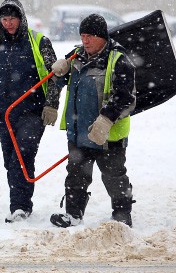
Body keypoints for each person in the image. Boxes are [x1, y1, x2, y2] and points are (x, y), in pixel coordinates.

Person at [0, 0, 60, 223]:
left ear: (21, 19)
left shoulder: (39, 42)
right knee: (11, 160)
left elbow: (55, 77)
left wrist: (51, 104)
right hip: (2, 116)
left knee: (22, 157)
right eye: (4, 19)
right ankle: (22, 203)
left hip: (32, 113)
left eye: (12, 18)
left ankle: (19, 208)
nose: (8, 23)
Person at [49, 13, 136, 228]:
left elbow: (126, 97)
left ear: (102, 37)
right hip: (80, 132)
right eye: (82, 36)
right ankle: (73, 214)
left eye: (89, 36)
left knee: (114, 177)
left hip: (108, 135)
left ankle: (122, 215)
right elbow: (56, 80)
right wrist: (57, 75)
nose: (85, 41)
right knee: (76, 177)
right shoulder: (76, 56)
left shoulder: (118, 59)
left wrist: (106, 120)